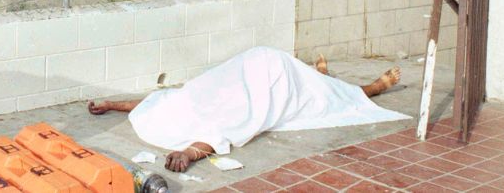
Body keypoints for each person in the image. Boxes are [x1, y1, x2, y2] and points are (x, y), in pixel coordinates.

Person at [87, 46, 403, 173]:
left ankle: (368, 88)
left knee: (323, 96)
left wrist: (112, 104)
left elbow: (210, 135)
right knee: (319, 100)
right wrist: (187, 153)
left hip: (262, 64)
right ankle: (326, 78)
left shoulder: (195, 100)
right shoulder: (207, 113)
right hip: (273, 82)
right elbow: (208, 138)